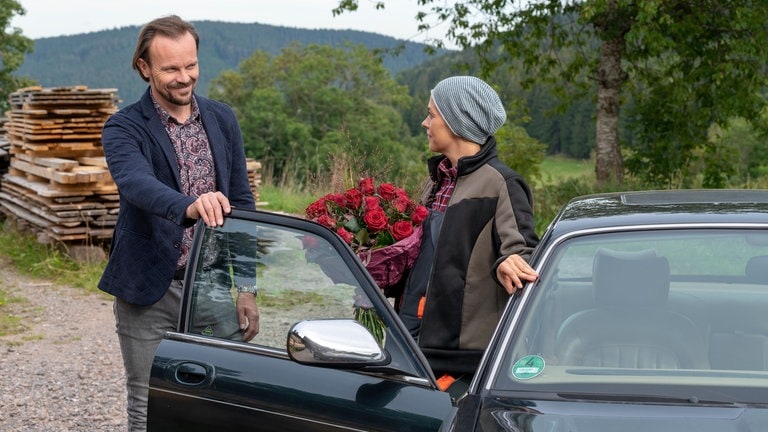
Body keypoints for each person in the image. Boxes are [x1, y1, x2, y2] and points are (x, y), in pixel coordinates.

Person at [97, 15, 259, 431]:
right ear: (144, 67)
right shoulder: (123, 126)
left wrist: (246, 286)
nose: (184, 78)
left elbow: (242, 202)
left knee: (226, 399)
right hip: (147, 289)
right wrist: (190, 206)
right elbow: (137, 185)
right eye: (170, 69)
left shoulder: (222, 119)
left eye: (191, 65)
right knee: (147, 402)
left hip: (212, 285)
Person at [398, 75, 540, 391]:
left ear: (455, 121)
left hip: (459, 356)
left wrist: (506, 262)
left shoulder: (501, 184)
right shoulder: (437, 181)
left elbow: (523, 253)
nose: (425, 123)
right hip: (412, 335)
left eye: (431, 115)